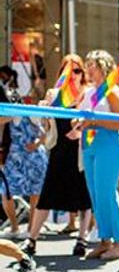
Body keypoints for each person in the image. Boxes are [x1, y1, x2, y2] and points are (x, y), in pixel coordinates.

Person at [23, 54, 93, 258]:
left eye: (78, 70)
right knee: (47, 194)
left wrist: (80, 128)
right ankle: (31, 239)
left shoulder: (86, 93)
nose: (74, 74)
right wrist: (44, 109)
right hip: (59, 148)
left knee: (84, 195)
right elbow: (43, 122)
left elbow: (93, 119)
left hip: (80, 149)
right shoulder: (54, 94)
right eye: (69, 70)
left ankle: (82, 239)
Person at [72, 50, 119, 261]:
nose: (88, 68)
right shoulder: (89, 92)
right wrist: (77, 123)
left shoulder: (111, 91)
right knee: (96, 194)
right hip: (89, 143)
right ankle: (105, 240)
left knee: (107, 192)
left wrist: (94, 121)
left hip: (110, 143)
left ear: (104, 67)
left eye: (93, 65)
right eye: (87, 64)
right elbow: (80, 116)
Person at [0, 78, 49, 241]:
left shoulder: (28, 112)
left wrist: (37, 143)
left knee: (33, 193)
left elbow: (44, 132)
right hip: (18, 157)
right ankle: (17, 227)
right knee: (7, 192)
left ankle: (28, 228)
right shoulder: (11, 115)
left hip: (29, 156)